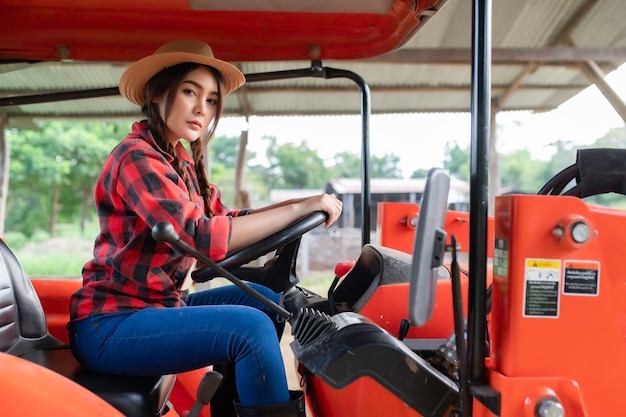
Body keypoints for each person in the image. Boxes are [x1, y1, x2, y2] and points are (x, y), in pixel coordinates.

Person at [68, 40, 343, 417]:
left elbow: (228, 220)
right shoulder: (137, 157)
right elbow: (196, 235)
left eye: (212, 99)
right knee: (250, 329)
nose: (202, 109)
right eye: (189, 92)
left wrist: (302, 207)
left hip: (158, 305)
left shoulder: (179, 162)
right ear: (158, 93)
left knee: (264, 301)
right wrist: (299, 207)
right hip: (110, 323)